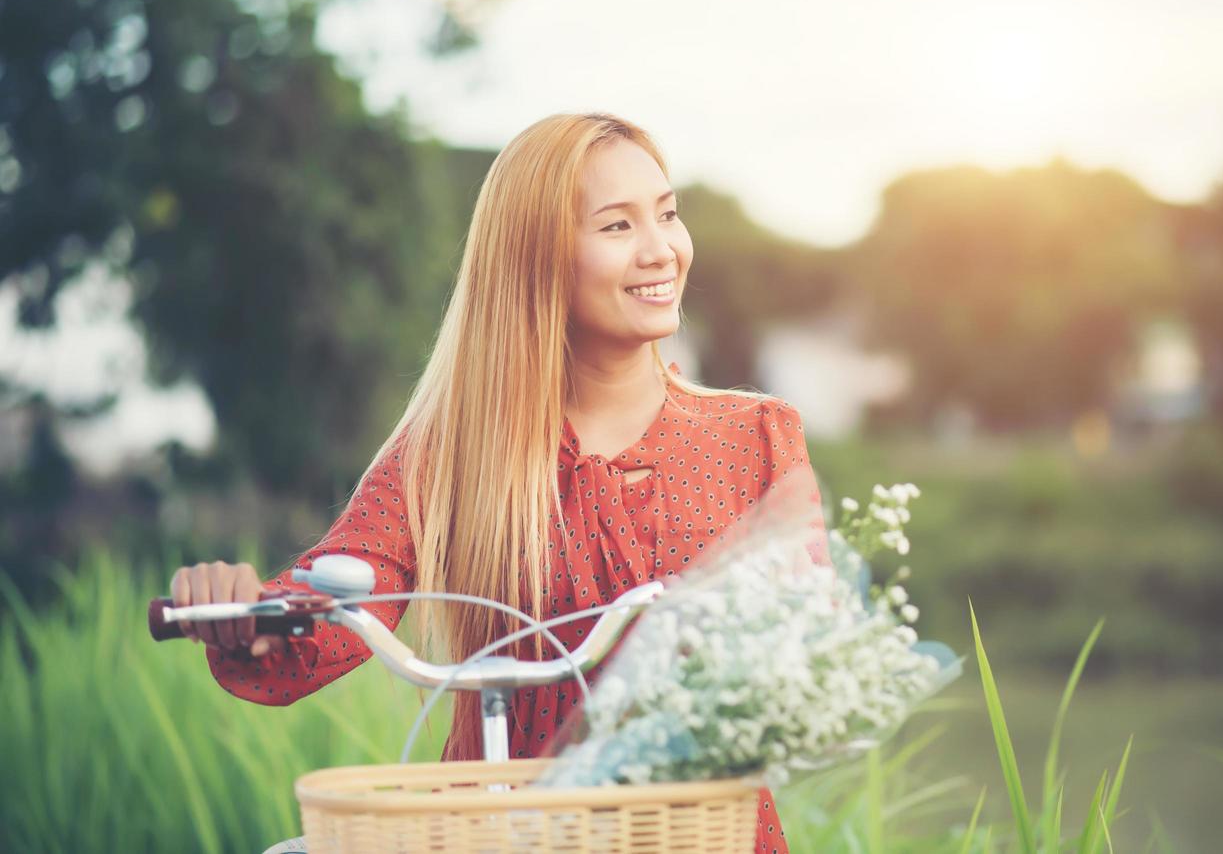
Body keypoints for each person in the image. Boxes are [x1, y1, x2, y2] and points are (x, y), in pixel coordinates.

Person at [169, 112, 828, 853]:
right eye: (616, 227)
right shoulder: (452, 450)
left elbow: (809, 652)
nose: (661, 250)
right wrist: (252, 616)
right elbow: (351, 592)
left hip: (699, 833)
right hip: (503, 829)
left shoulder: (756, 435)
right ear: (536, 258)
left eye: (667, 215)